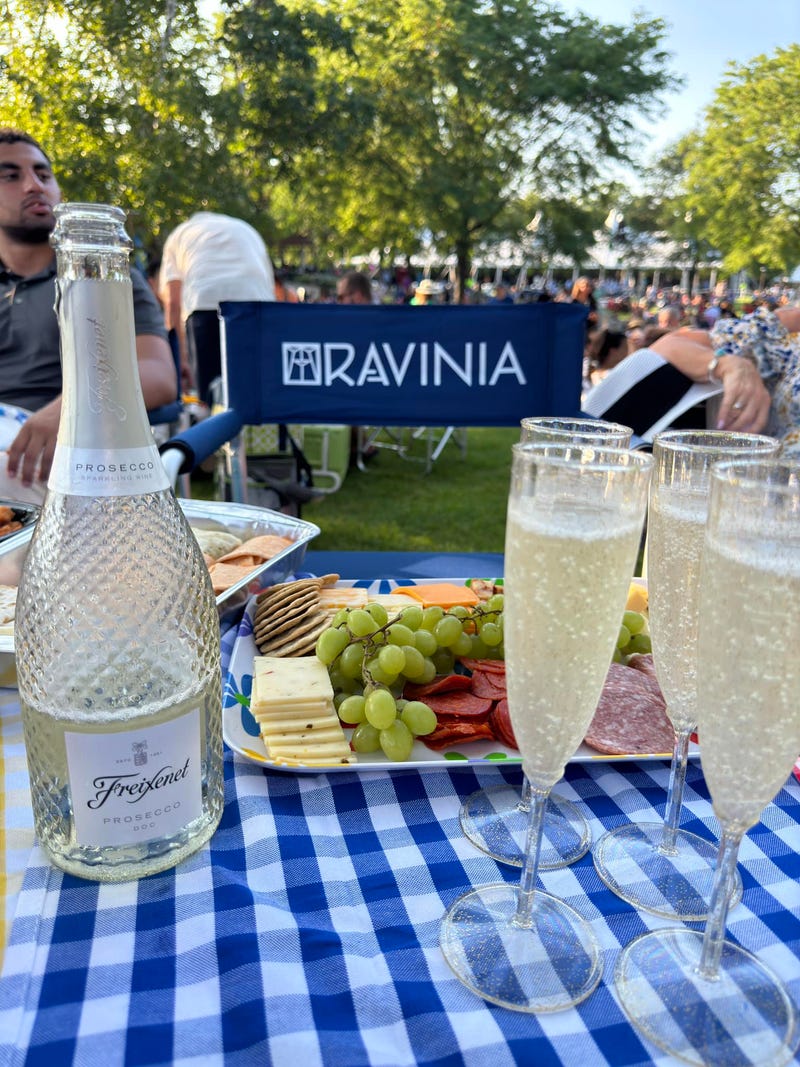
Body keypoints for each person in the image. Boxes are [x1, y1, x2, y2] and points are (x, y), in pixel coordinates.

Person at [0, 128, 176, 494]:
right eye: (11, 176)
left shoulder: (105, 277)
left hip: (71, 456)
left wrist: (69, 411)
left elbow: (159, 376)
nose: (34, 186)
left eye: (43, 174)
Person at [160, 211, 276, 405]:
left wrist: (179, 361)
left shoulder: (179, 235)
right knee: (256, 394)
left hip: (205, 302)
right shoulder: (245, 229)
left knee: (210, 399)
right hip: (257, 305)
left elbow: (173, 302)